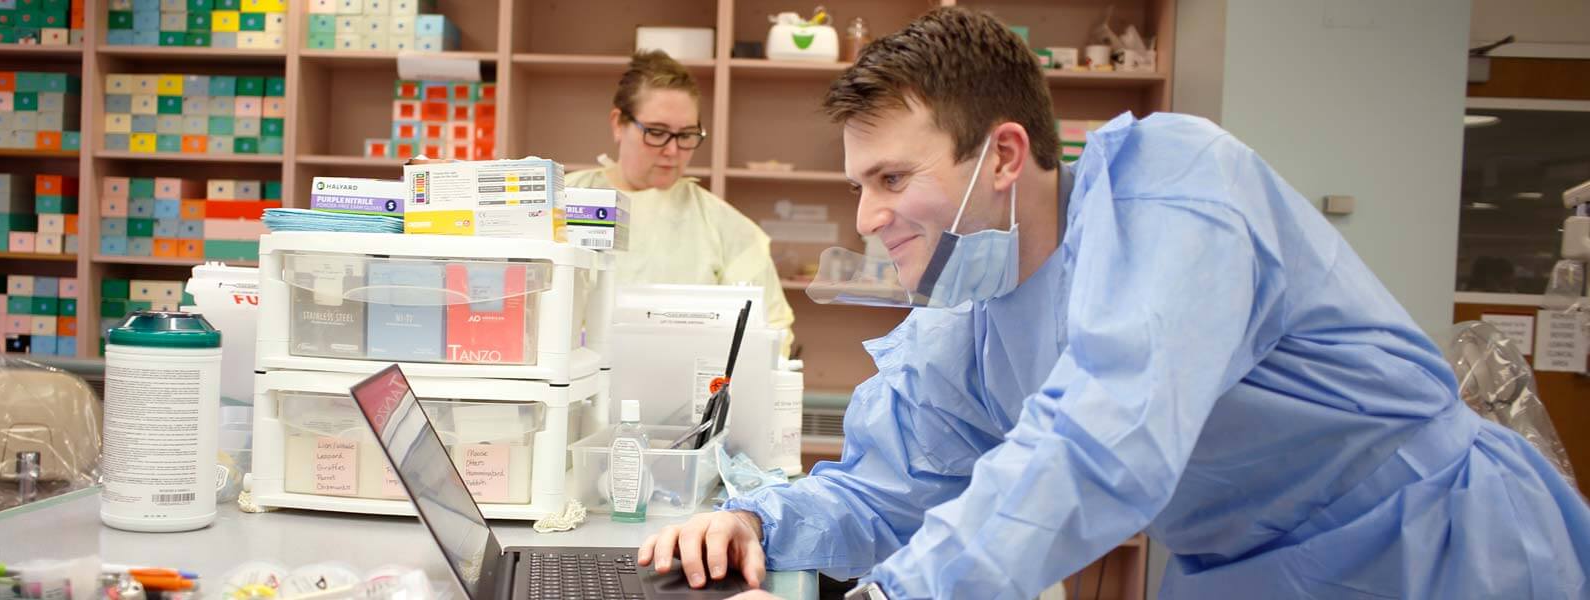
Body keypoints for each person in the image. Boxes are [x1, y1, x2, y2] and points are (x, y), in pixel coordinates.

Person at [637, 7, 1590, 600]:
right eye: (858, 184)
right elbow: (894, 487)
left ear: (1005, 156)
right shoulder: (964, 310)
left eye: (891, 177)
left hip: (1435, 549)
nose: (870, 215)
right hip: (1243, 571)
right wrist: (760, 525)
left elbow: (1105, 439)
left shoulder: (1174, 189)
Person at [564, 50, 795, 353]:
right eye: (657, 132)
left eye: (686, 135)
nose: (673, 151)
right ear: (618, 123)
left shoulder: (726, 227)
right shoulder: (560, 204)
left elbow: (771, 332)